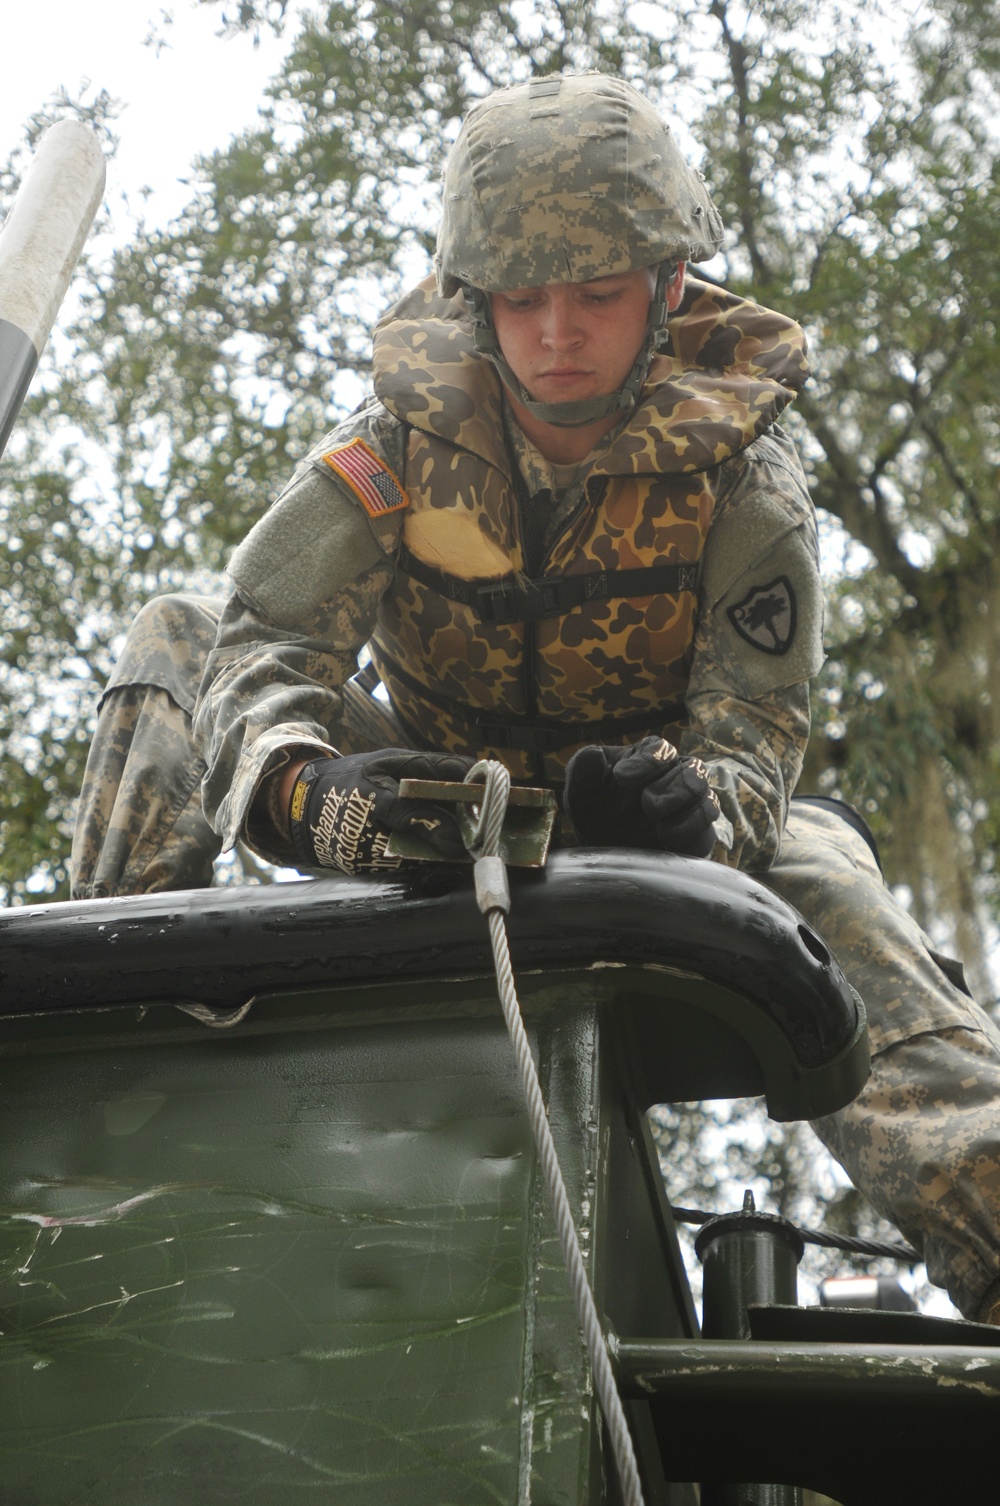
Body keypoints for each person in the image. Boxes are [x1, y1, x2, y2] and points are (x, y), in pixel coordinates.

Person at [71, 72, 1000, 1325]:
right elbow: (264, 634)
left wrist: (689, 816)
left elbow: (756, 730)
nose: (557, 330)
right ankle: (91, 1105)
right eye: (523, 299)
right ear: (474, 301)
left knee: (829, 881)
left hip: (659, 815)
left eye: (598, 295)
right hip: (424, 788)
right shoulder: (401, 437)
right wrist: (307, 789)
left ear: (667, 289)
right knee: (170, 636)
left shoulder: (740, 465)